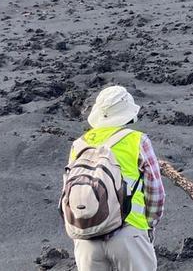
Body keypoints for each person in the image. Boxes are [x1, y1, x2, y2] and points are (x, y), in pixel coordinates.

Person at [68, 85, 164, 271]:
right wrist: (148, 225)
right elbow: (156, 192)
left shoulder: (78, 145)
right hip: (128, 233)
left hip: (86, 238)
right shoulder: (137, 140)